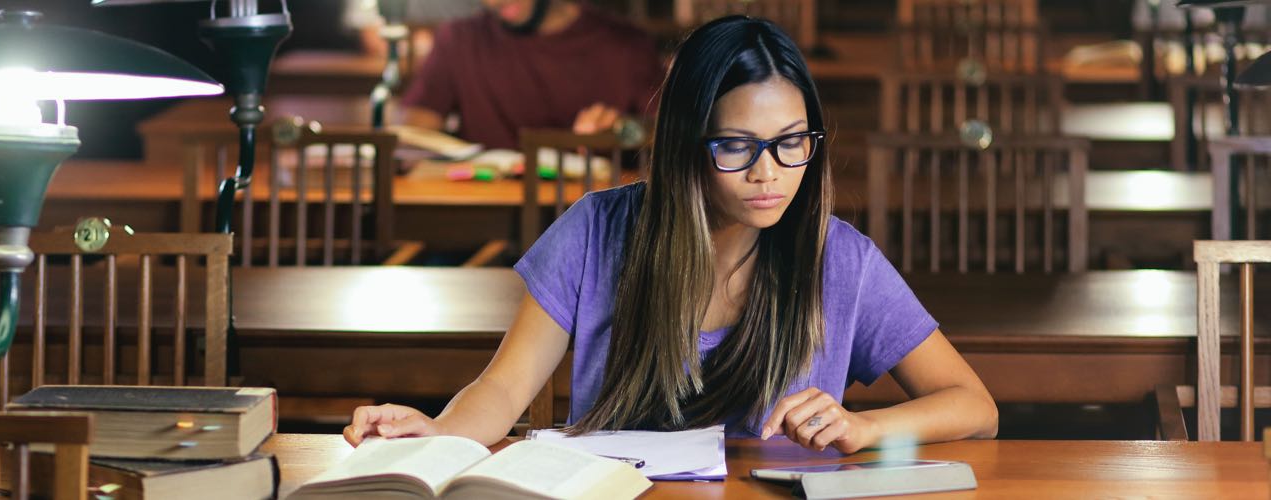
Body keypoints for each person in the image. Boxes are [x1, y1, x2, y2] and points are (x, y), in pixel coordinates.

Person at [344, 16, 998, 454]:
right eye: (737, 146)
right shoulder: (596, 232)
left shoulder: (840, 259)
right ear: (686, 142)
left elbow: (974, 405)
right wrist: (438, 435)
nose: (769, 172)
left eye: (792, 144)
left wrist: (866, 425)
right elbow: (504, 390)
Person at [399, 0, 664, 149]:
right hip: (487, 221)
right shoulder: (459, 38)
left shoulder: (626, 45)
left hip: (590, 221)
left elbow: (669, 132)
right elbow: (416, 125)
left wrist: (619, 131)